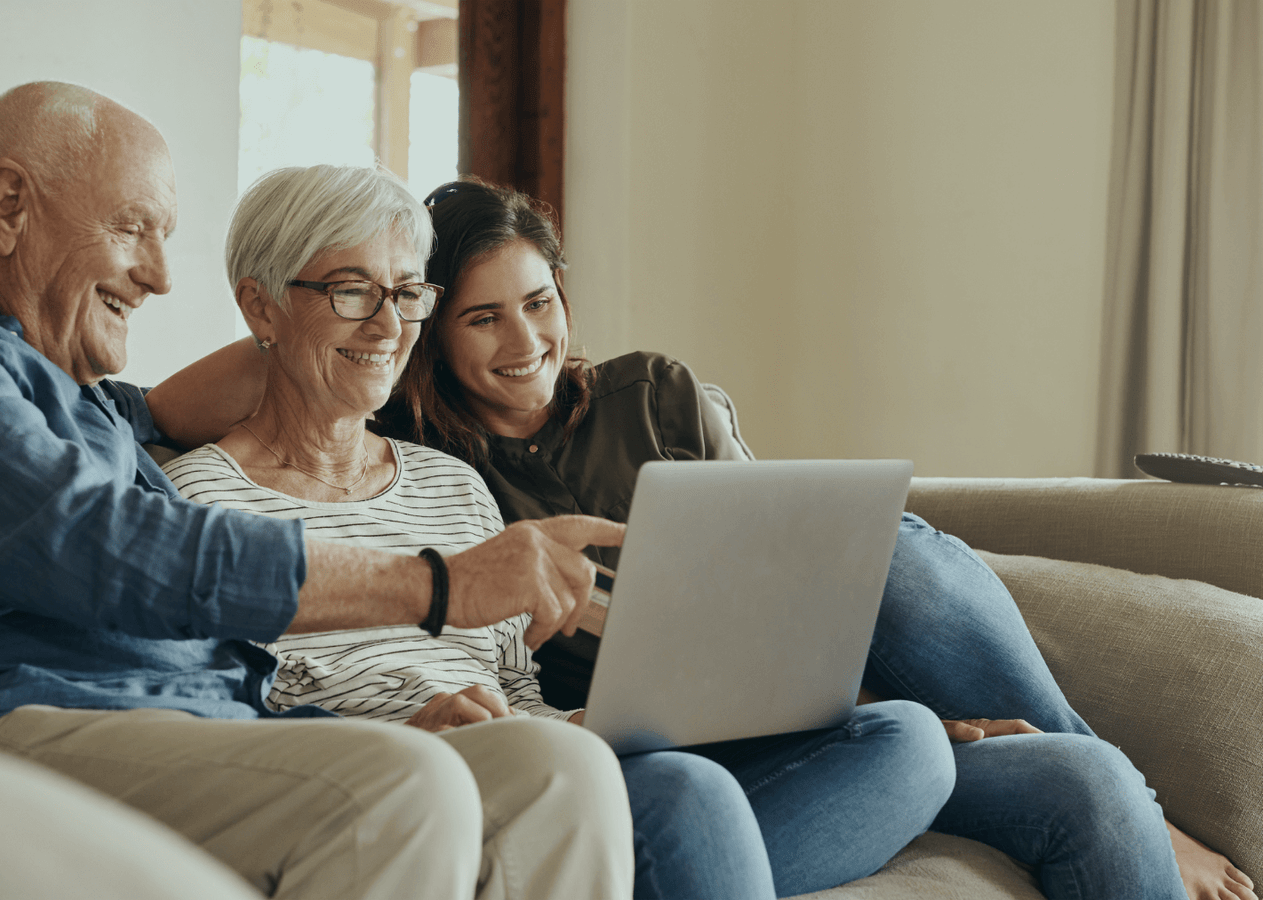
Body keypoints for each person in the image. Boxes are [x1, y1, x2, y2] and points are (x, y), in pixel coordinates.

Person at [0, 83, 639, 900]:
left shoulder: (87, 406)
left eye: (165, 237)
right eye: (134, 227)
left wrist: (282, 363)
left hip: (186, 727)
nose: (162, 276)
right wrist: (441, 584)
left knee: (558, 770)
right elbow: (112, 546)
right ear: (10, 206)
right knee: (401, 787)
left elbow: (162, 415)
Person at [386, 179, 1251, 900]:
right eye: (483, 318)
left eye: (539, 303)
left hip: (798, 719)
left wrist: (864, 703)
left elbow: (790, 580)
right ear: (433, 332)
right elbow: (267, 382)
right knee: (901, 730)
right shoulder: (425, 469)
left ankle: (1130, 791)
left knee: (1075, 771)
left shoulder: (652, 395)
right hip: (659, 762)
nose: (526, 341)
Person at [158, 164, 961, 900]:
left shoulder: (450, 482)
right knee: (690, 792)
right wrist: (396, 736)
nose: (385, 326)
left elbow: (516, 690)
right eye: (350, 291)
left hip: (553, 767)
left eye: (406, 294)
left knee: (906, 737)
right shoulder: (191, 505)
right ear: (258, 304)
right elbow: (215, 728)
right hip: (400, 789)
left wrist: (578, 724)